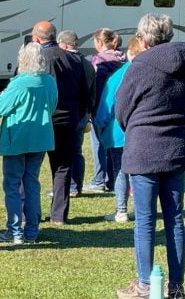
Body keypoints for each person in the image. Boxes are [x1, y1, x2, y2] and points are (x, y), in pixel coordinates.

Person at [114, 14, 185, 299]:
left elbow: (121, 108)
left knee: (145, 220)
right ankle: (176, 286)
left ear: (143, 39)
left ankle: (145, 285)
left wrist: (136, 127)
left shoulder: (140, 65)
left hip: (144, 147)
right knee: (175, 219)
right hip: (177, 145)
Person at [0, 43, 57, 245]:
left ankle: (14, 230)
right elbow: (53, 105)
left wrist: (1, 97)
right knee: (31, 184)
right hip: (40, 138)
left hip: (17, 138)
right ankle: (31, 231)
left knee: (12, 184)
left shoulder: (19, 83)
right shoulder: (49, 81)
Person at [33, 21, 91, 225]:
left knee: (32, 168)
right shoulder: (73, 59)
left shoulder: (35, 57)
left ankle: (30, 214)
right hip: (67, 120)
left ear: (36, 38)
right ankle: (59, 215)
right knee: (62, 167)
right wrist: (81, 114)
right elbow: (85, 91)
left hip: (42, 120)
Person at [94, 35, 142, 224]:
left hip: (119, 133)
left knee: (120, 171)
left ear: (131, 52)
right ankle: (141, 209)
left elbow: (107, 105)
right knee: (140, 173)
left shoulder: (120, 75)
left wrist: (99, 123)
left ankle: (121, 210)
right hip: (144, 133)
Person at [84, 28, 127, 194]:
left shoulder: (98, 62)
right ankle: (113, 178)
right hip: (121, 108)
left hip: (101, 107)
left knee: (98, 144)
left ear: (100, 43)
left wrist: (90, 108)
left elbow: (95, 88)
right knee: (113, 144)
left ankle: (99, 179)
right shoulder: (124, 59)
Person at [58, 29, 97, 197]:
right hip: (82, 113)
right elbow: (93, 91)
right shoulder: (88, 64)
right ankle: (76, 187)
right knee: (77, 151)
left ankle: (66, 187)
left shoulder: (64, 62)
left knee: (63, 152)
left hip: (67, 112)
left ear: (64, 45)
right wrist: (89, 111)